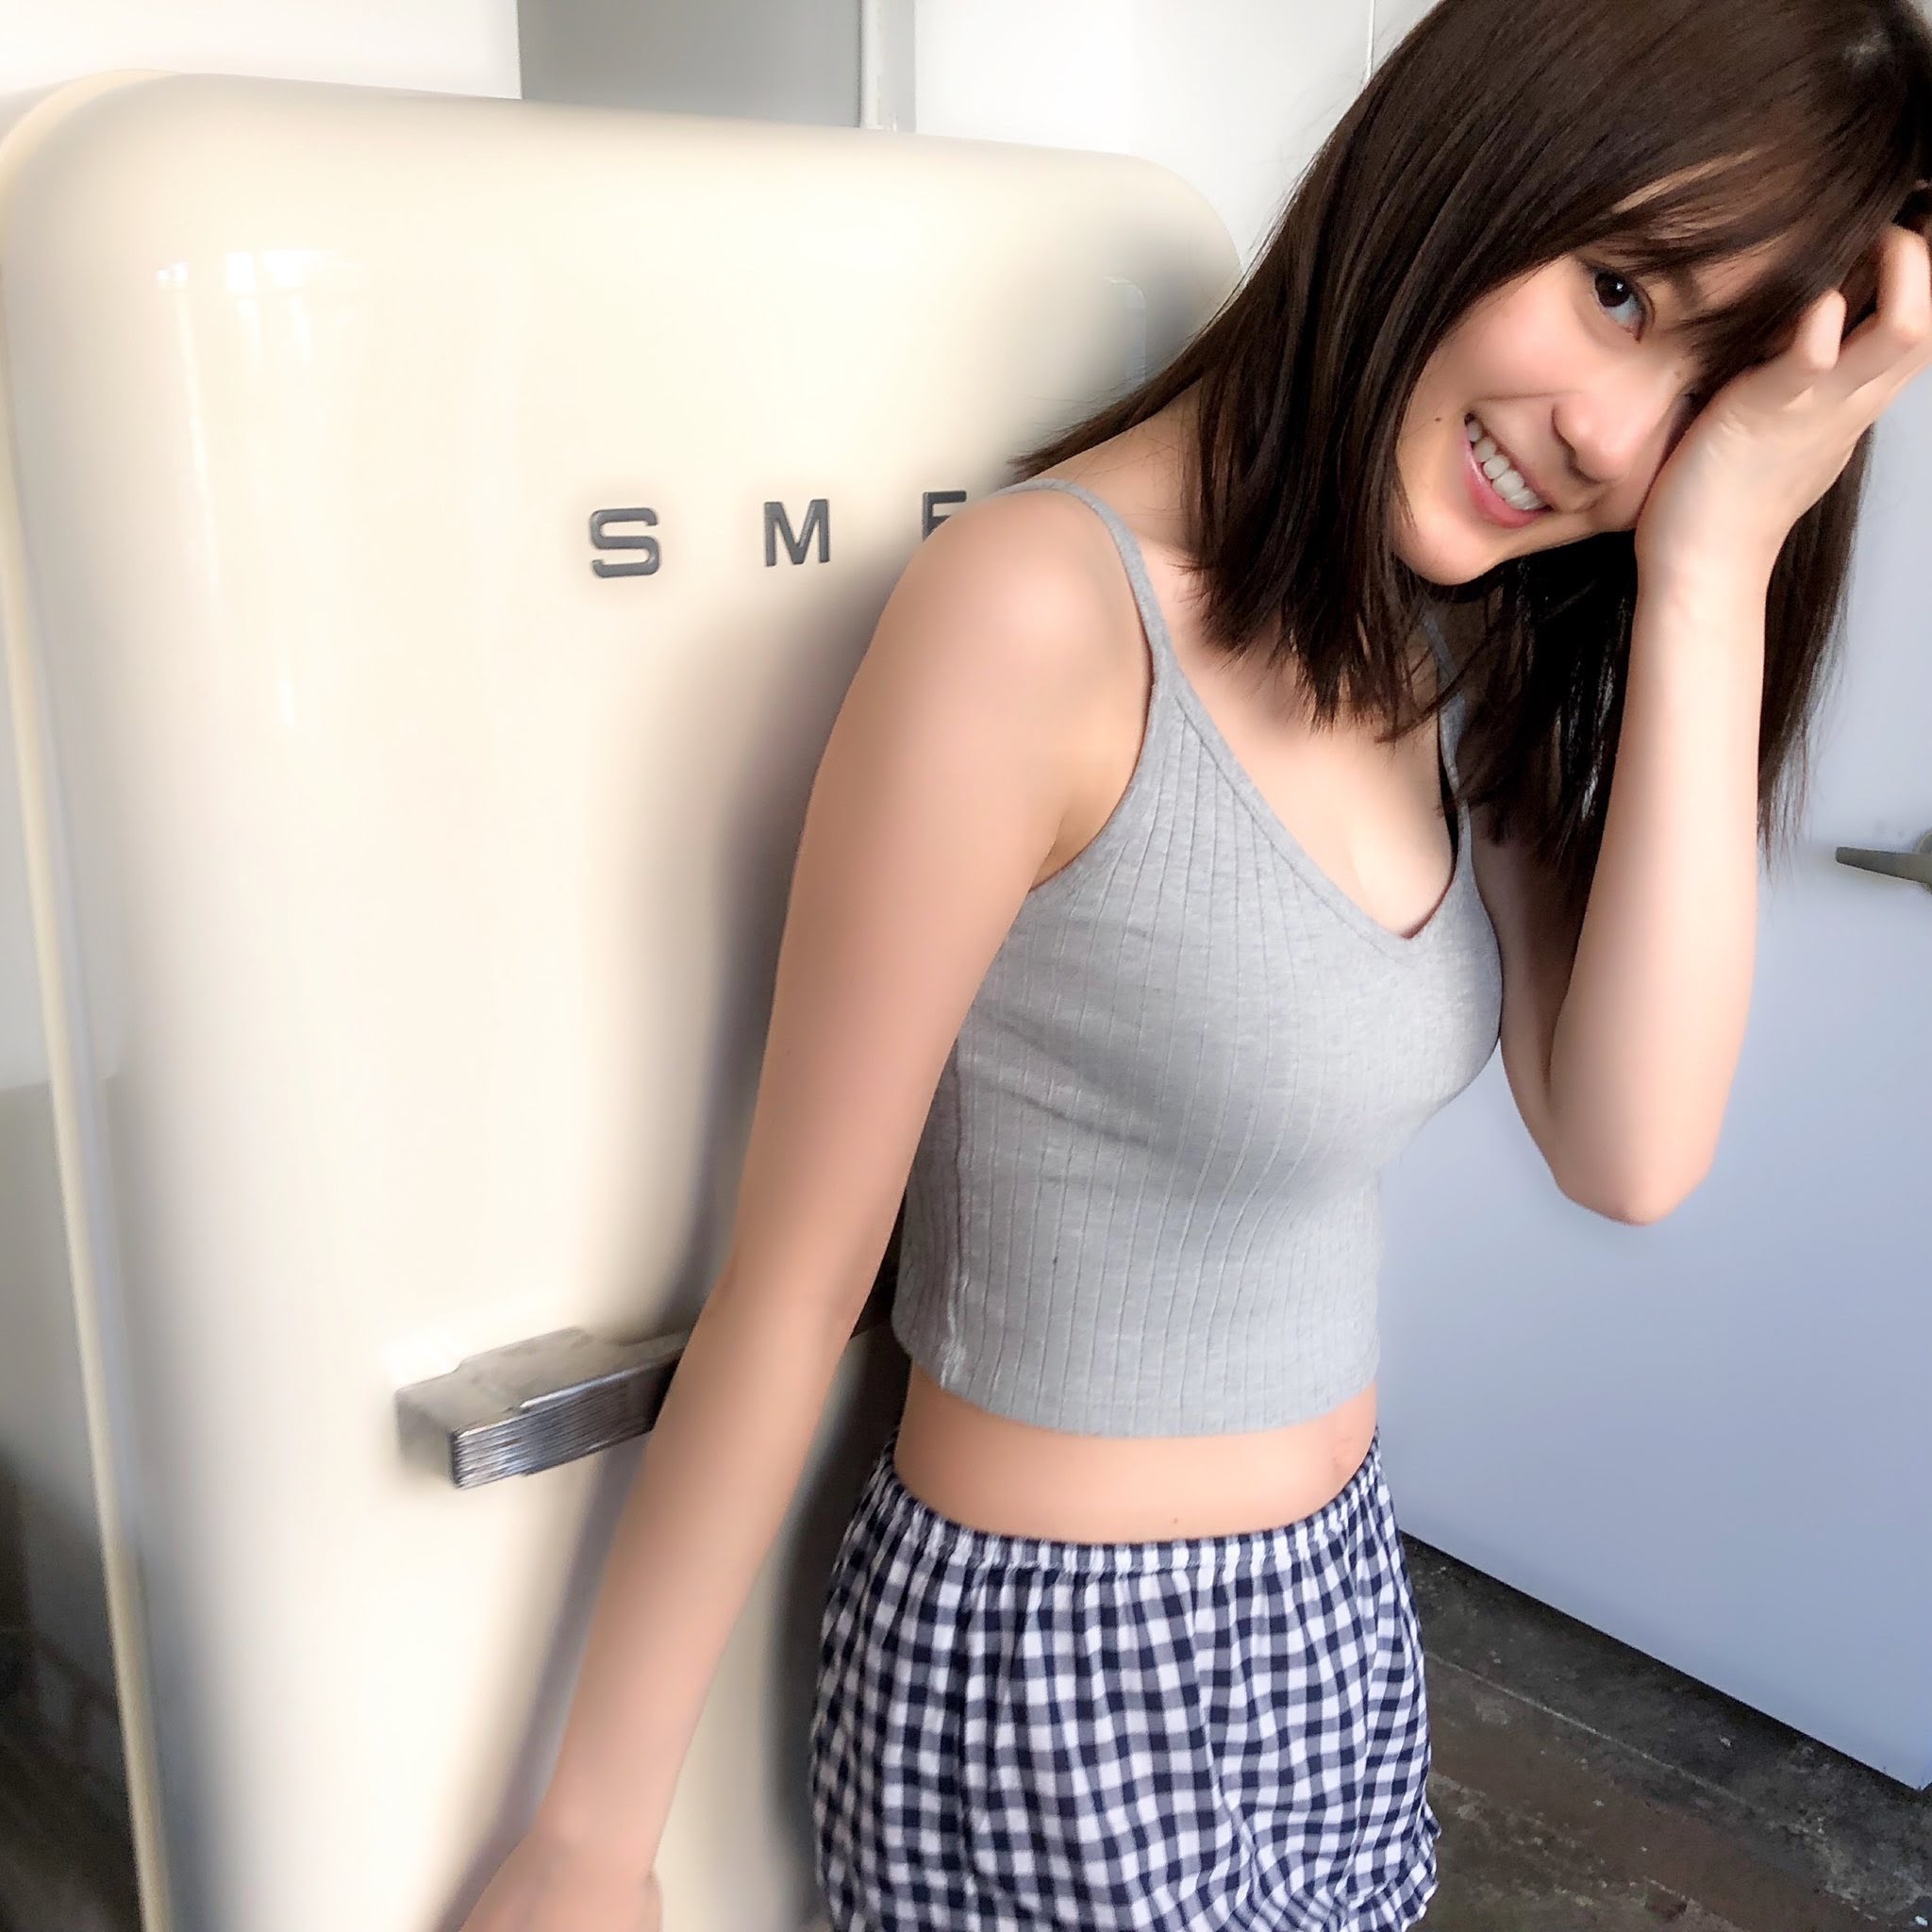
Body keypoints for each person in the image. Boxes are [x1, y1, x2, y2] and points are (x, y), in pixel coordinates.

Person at [457, 0, 1932, 1924]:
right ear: (1469, 157)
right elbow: (797, 1282)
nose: (1610, 438)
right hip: (1048, 1678)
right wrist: (589, 1841)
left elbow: (1631, 1148)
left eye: (1705, 394)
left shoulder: (1448, 638)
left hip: (1334, 1610)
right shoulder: (1037, 616)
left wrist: (1715, 568)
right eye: (1620, 292)